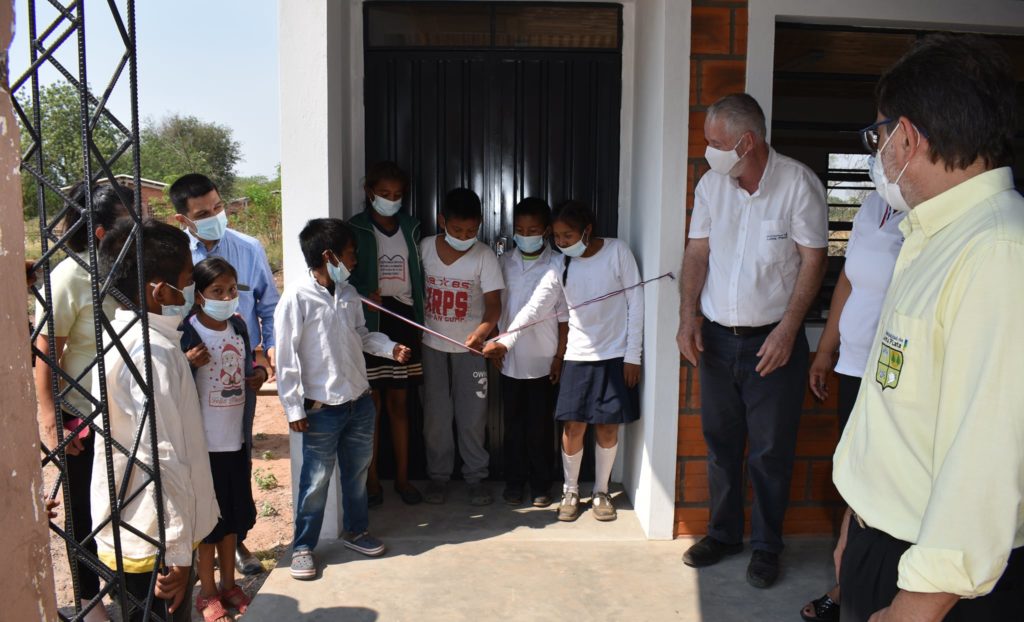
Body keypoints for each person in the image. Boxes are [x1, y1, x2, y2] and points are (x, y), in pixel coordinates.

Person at [832, 34, 1024, 622]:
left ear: (907, 137)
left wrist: (917, 605)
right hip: (884, 544)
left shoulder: (998, 252)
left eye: (879, 136)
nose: (879, 153)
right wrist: (854, 526)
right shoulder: (933, 235)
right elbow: (894, 408)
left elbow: (988, 454)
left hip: (933, 586)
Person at [677, 92, 827, 588]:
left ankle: (766, 546)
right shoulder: (711, 186)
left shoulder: (798, 184)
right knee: (720, 445)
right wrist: (688, 317)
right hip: (717, 341)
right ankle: (723, 534)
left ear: (747, 141)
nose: (708, 152)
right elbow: (697, 253)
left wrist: (788, 330)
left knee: (769, 452)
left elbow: (814, 261)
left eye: (716, 143)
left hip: (774, 344)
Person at [93, 218, 219, 622]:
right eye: (188, 281)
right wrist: (178, 552)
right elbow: (162, 456)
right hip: (155, 540)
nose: (192, 290)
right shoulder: (153, 353)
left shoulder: (129, 338)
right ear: (160, 291)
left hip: (144, 531)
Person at [488, 201, 643, 521]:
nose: (561, 243)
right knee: (573, 427)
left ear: (587, 231)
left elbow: (637, 303)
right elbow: (535, 308)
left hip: (614, 355)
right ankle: (570, 491)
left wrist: (633, 355)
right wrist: (505, 341)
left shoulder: (617, 252)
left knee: (607, 427)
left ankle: (601, 491)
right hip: (576, 355)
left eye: (568, 236)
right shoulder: (559, 264)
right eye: (557, 237)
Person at [275, 218, 411, 581]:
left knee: (357, 473)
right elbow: (286, 357)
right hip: (321, 409)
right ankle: (303, 547)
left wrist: (389, 347)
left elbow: (362, 336)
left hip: (359, 401)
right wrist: (293, 407)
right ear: (329, 256)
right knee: (316, 481)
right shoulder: (297, 297)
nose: (354, 261)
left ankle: (357, 531)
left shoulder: (349, 294)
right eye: (350, 254)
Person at [799, 189, 904, 622]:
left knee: (881, 482)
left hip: (892, 374)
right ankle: (852, 581)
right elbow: (848, 279)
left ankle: (854, 588)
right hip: (855, 366)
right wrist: (826, 350)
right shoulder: (874, 204)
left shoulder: (926, 209)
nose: (880, 158)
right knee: (853, 476)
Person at [170, 173, 279, 575]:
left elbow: (268, 307)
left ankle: (237, 539)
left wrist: (264, 359)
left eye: (218, 207)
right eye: (203, 213)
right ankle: (200, 547)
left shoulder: (249, 249)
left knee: (237, 455)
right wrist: (184, 359)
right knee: (197, 462)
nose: (215, 216)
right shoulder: (175, 256)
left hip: (238, 378)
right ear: (183, 219)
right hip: (191, 378)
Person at [33, 182, 131, 622]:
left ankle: (130, 590)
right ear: (101, 232)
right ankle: (91, 604)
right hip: (84, 415)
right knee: (84, 512)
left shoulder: (127, 269)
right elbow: (46, 350)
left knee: (127, 505)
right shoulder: (70, 276)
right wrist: (52, 418)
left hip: (129, 413)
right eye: (130, 221)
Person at [180, 258, 267, 621]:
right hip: (204, 447)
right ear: (199, 295)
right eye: (217, 291)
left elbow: (249, 368)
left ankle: (230, 585)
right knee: (208, 525)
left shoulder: (239, 326)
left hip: (235, 441)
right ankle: (207, 593)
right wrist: (188, 362)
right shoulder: (188, 332)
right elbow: (173, 381)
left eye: (231, 290)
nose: (227, 297)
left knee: (232, 519)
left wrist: (259, 374)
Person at [419, 188, 504, 506]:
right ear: (442, 221)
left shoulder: (484, 256)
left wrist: (481, 333)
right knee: (436, 417)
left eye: (471, 231)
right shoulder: (425, 248)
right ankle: (438, 477)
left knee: (472, 417)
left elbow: (494, 306)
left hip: (471, 351)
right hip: (432, 347)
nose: (465, 237)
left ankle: (475, 478)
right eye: (457, 230)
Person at [348, 161, 425, 506]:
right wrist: (364, 292)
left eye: (397, 195)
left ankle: (404, 479)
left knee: (400, 403)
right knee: (373, 405)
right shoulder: (355, 228)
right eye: (384, 193)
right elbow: (344, 273)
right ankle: (373, 480)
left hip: (404, 317)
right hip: (370, 320)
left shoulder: (412, 227)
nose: (391, 200)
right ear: (369, 193)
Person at [492, 197, 567, 507]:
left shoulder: (558, 264)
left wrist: (559, 356)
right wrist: (496, 344)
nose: (525, 235)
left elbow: (563, 318)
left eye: (532, 230)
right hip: (508, 360)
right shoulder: (503, 262)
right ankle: (514, 482)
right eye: (520, 230)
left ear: (546, 230)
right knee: (512, 427)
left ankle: (541, 484)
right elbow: (495, 308)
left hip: (543, 360)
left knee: (540, 428)